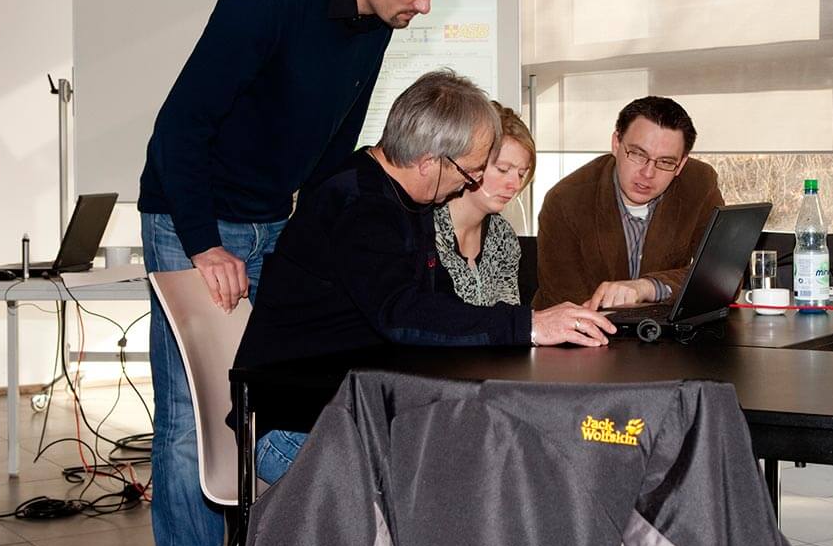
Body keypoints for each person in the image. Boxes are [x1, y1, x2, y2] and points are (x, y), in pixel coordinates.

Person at [137, 0, 457, 546]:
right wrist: (203, 245)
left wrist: (323, 231)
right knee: (193, 415)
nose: (424, 7)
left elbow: (333, 146)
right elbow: (180, 127)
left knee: (275, 394)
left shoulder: (376, 24)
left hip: (272, 218)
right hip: (193, 217)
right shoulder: (269, 0)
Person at [234, 70, 614, 484]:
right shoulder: (359, 205)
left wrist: (524, 327)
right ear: (430, 161)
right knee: (455, 487)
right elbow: (402, 314)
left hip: (347, 408)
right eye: (469, 172)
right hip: (291, 425)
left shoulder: (403, 198)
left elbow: (437, 302)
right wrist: (529, 325)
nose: (469, 184)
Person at [532, 96, 724, 310]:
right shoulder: (565, 201)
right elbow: (566, 303)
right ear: (616, 144)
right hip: (581, 326)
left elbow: (722, 274)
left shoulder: (700, 184)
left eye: (665, 162)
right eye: (638, 154)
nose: (648, 173)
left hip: (664, 327)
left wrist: (649, 287)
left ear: (681, 165)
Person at [433, 102, 535, 306]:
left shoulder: (504, 236)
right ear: (472, 163)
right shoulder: (424, 228)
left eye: (521, 174)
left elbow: (508, 314)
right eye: (503, 169)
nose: (515, 185)